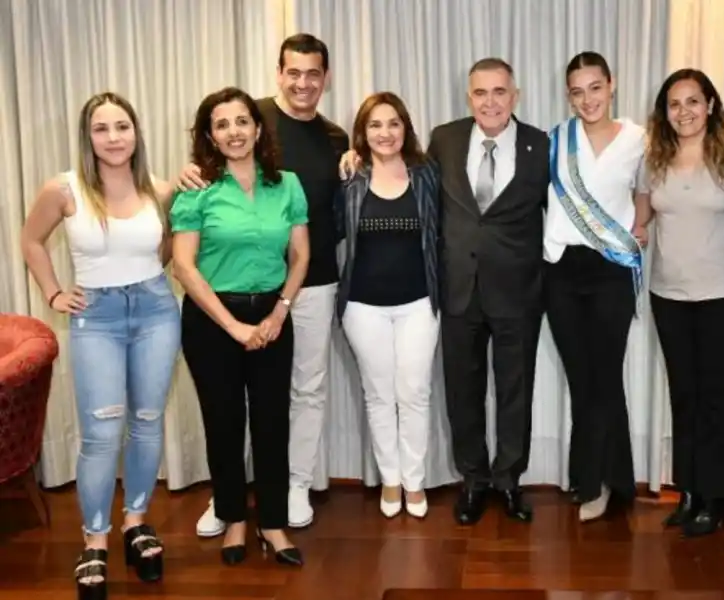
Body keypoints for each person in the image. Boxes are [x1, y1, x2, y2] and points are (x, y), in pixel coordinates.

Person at [341, 58, 548, 524]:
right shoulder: (445, 140)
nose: (490, 102)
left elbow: (561, 212)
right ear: (468, 97)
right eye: (480, 93)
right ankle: (473, 480)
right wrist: (356, 156)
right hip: (456, 291)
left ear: (514, 96)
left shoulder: (540, 145)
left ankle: (510, 481)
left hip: (518, 293)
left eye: (499, 92)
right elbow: (403, 177)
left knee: (516, 392)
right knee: (462, 393)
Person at [177, 34, 348, 535]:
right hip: (227, 302)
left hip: (303, 286)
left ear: (326, 78)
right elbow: (186, 257)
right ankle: (229, 501)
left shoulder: (335, 138)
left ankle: (290, 489)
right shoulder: (241, 130)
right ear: (278, 74)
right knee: (225, 408)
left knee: (300, 394)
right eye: (293, 72)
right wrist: (188, 172)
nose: (303, 82)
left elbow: (319, 227)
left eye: (313, 73)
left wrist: (281, 307)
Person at [20, 92, 181, 598]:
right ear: (87, 136)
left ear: (137, 132)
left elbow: (165, 249)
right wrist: (53, 292)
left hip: (156, 310)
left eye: (122, 127)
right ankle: (95, 538)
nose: (114, 138)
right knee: (101, 432)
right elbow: (30, 240)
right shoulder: (65, 189)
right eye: (101, 128)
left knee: (148, 422)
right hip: (97, 318)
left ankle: (135, 521)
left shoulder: (158, 189)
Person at [170, 86, 309, 567]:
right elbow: (184, 266)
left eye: (241, 121)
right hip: (212, 321)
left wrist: (279, 312)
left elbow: (301, 255)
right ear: (210, 134)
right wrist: (232, 326)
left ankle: (272, 522)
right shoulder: (197, 188)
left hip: (273, 315)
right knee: (224, 422)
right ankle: (233, 518)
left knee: (272, 422)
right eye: (222, 124)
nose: (234, 132)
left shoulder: (286, 183)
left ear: (256, 127)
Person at [632, 68, 724, 536]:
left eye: (693, 102)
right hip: (668, 295)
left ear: (711, 105)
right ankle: (690, 492)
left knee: (714, 395)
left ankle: (717, 497)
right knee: (683, 394)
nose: (684, 112)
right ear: (665, 112)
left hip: (721, 295)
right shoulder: (652, 161)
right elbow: (640, 222)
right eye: (674, 104)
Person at [543, 51, 645, 522]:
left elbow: (648, 192)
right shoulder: (555, 141)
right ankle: (603, 479)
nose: (588, 99)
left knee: (605, 376)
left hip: (611, 270)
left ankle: (601, 482)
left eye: (596, 88)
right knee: (582, 379)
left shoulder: (639, 139)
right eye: (578, 91)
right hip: (562, 271)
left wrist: (639, 227)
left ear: (612, 85)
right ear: (569, 95)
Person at [337, 92, 441, 519]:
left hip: (420, 302)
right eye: (375, 125)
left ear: (405, 128)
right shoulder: (350, 178)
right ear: (363, 132)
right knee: (379, 395)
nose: (385, 133)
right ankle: (391, 480)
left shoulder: (427, 175)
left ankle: (415, 481)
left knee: (414, 392)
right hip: (363, 307)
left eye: (393, 123)